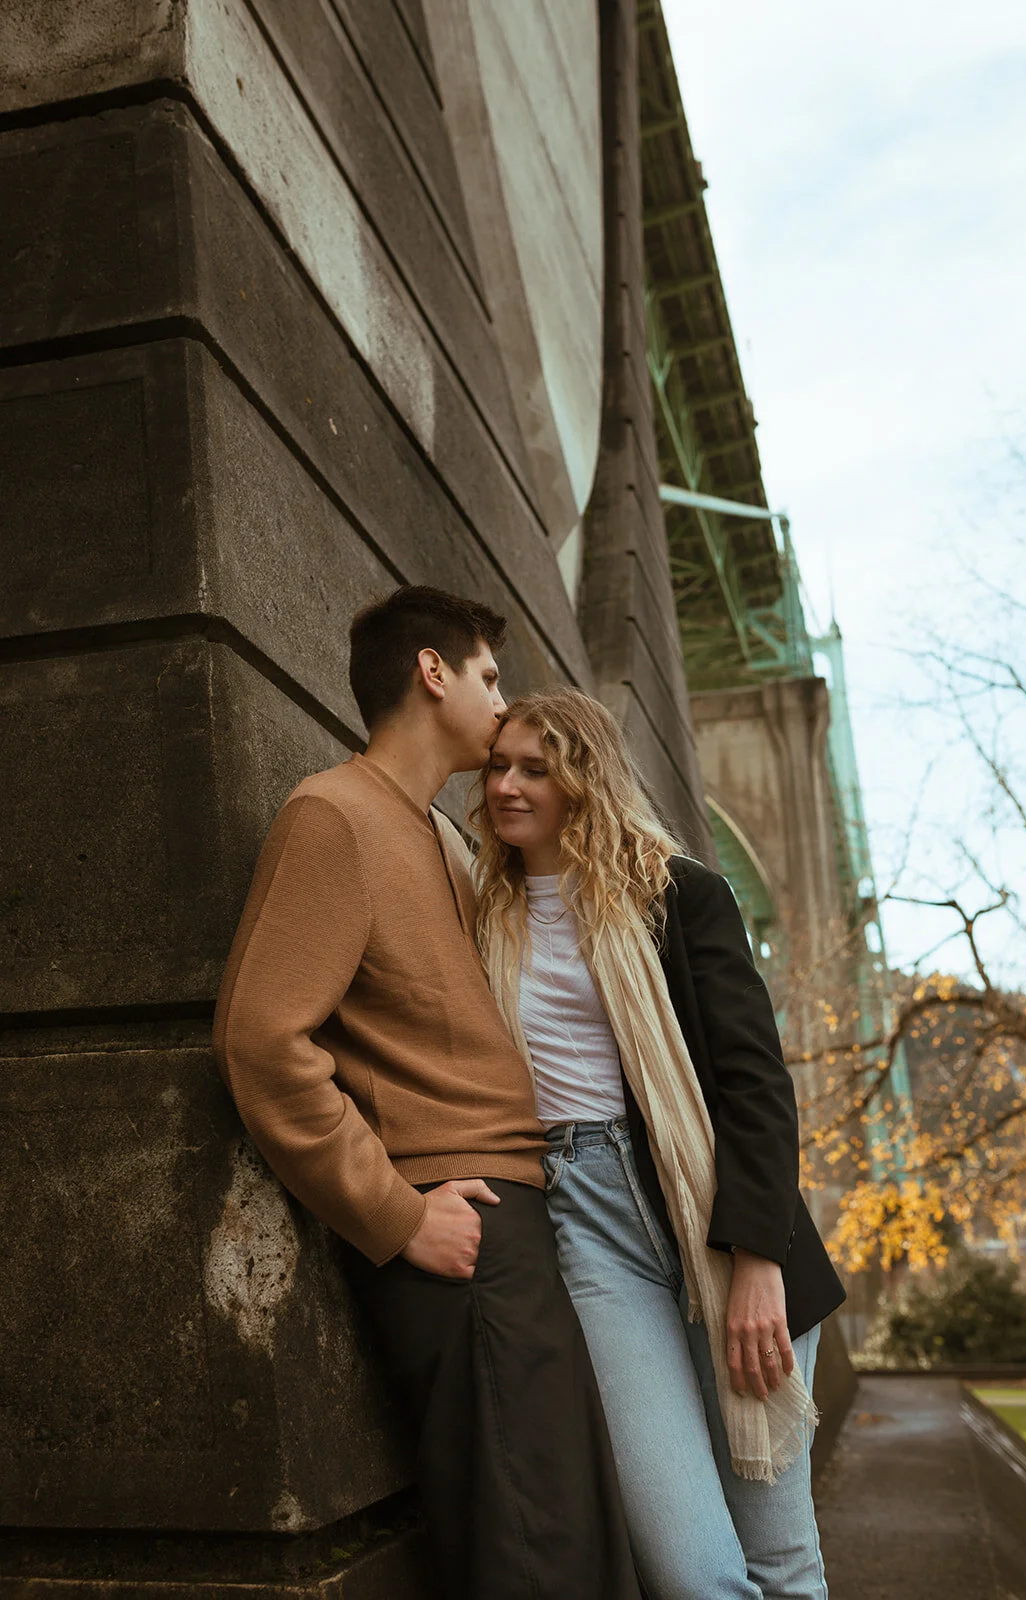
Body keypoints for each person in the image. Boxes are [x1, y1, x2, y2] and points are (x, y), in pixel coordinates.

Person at [213, 590, 641, 1600]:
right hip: (462, 1228)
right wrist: (395, 1215)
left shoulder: (448, 840)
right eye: (490, 675)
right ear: (432, 672)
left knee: (572, 1539)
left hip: (522, 1220)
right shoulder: (333, 816)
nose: (502, 701)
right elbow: (260, 1037)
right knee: (527, 1552)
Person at [473, 686, 847, 1600]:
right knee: (685, 1568)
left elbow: (755, 1084)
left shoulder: (682, 895)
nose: (507, 786)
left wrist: (757, 1258)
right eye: (496, 766)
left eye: (535, 768)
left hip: (717, 1220)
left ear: (583, 778)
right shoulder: (485, 911)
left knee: (778, 1553)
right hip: (586, 1225)